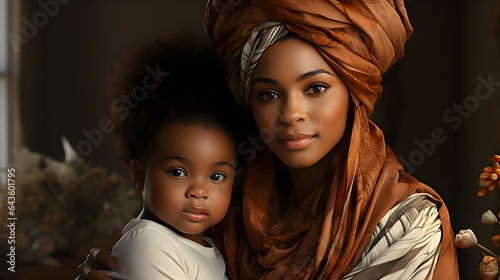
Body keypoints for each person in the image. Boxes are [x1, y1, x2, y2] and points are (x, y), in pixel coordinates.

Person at [78, 1, 460, 279]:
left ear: (353, 93)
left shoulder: (407, 224)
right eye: (269, 94)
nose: (291, 113)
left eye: (316, 88)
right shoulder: (223, 206)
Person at [89, 37, 247, 280]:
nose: (199, 191)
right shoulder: (150, 242)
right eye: (178, 172)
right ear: (139, 176)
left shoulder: (208, 248)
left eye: (217, 176)